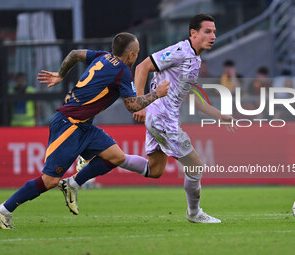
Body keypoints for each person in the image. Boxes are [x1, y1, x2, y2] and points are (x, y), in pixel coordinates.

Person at [68, 14, 236, 224]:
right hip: (162, 118)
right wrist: (139, 101)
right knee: (196, 166)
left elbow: (190, 96)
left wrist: (218, 115)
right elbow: (142, 67)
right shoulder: (179, 51)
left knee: (155, 170)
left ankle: (103, 161)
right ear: (193, 33)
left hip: (163, 117)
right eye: (207, 31)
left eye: (214, 32)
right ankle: (194, 213)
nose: (213, 36)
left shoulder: (194, 59)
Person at [0, 32, 169, 229]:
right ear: (131, 55)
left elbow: (75, 53)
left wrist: (61, 74)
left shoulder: (103, 56)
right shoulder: (122, 71)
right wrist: (156, 94)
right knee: (49, 181)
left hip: (83, 125)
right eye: (136, 53)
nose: (136, 57)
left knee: (115, 157)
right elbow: (132, 106)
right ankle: (3, 210)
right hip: (69, 125)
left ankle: (72, 184)